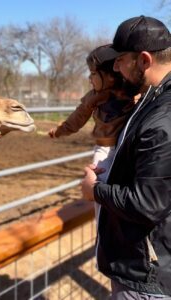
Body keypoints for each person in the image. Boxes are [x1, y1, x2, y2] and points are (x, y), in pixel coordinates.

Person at [81, 15, 171, 299]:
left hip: (147, 276)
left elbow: (148, 203)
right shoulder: (154, 99)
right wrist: (111, 167)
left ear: (144, 60)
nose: (116, 68)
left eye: (120, 60)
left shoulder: (161, 117)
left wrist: (96, 190)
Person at [49, 44, 136, 186]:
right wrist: (60, 130)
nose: (89, 78)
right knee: (100, 183)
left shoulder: (133, 93)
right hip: (106, 151)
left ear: (111, 76)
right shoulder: (94, 97)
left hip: (129, 149)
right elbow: (78, 116)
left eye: (93, 73)